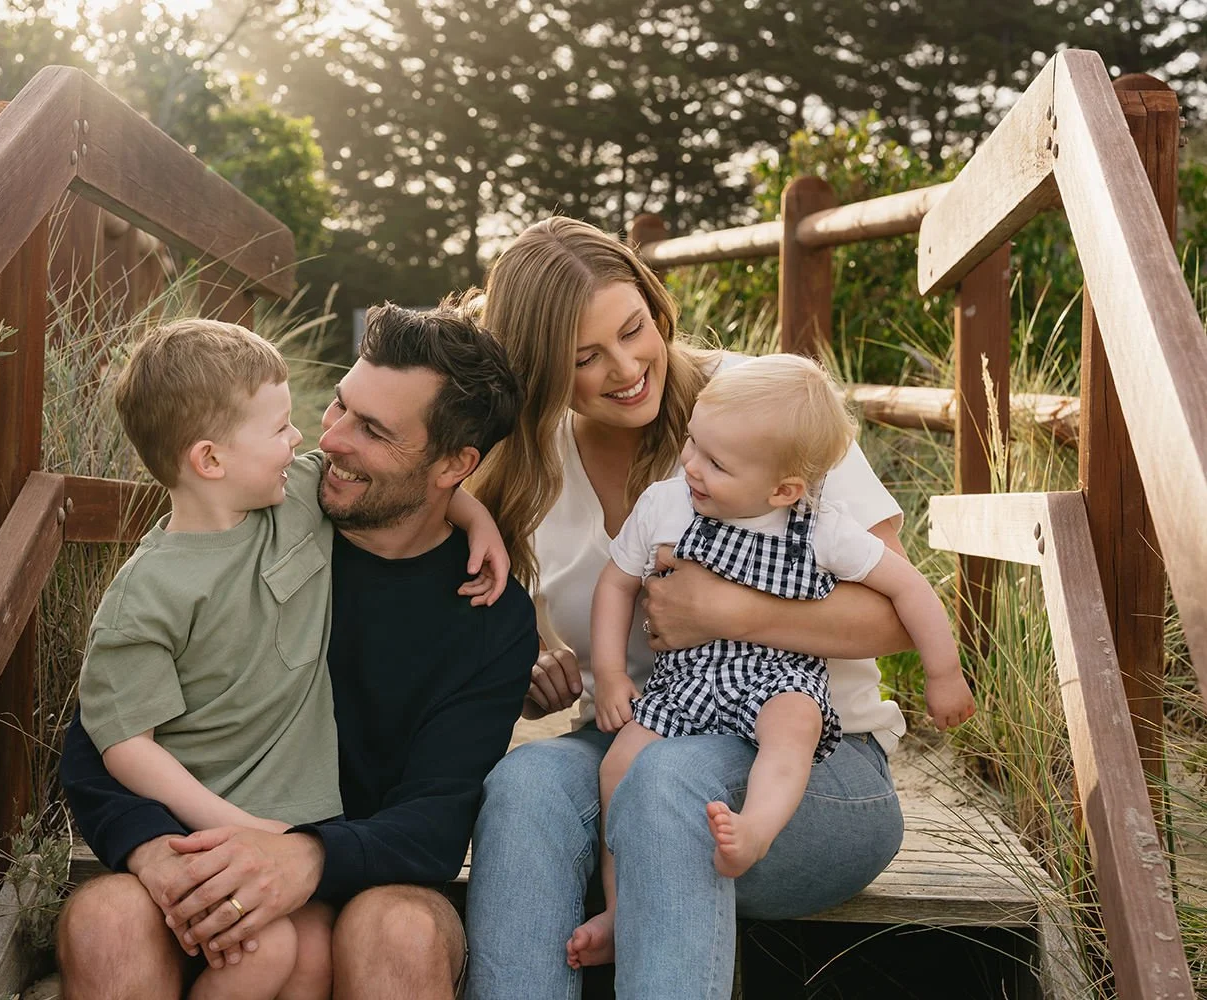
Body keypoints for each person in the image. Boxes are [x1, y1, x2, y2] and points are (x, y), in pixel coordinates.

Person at [463, 217, 930, 1000]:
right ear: (540, 370)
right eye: (585, 358)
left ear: (654, 303)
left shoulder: (765, 403)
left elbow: (898, 616)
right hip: (633, 737)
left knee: (669, 784)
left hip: (817, 763)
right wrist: (532, 673)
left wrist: (730, 611)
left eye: (633, 329)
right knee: (524, 787)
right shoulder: (529, 465)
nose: (625, 368)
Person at [57, 305, 536, 1000]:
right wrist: (161, 855)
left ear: (454, 465)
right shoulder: (256, 515)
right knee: (108, 917)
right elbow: (104, 733)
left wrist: (302, 857)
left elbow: (436, 819)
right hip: (202, 853)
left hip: (365, 876)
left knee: (396, 930)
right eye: (341, 405)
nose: (330, 437)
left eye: (372, 430)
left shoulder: (490, 618)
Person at [570, 352, 976, 968]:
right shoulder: (666, 504)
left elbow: (909, 588)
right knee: (618, 767)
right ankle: (620, 906)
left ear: (783, 489)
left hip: (779, 676)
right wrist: (610, 675)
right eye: (692, 445)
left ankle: (755, 829)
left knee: (794, 727)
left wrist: (944, 674)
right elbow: (615, 584)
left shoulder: (820, 527)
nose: (692, 467)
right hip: (687, 681)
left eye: (717, 463)